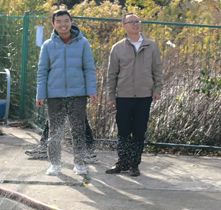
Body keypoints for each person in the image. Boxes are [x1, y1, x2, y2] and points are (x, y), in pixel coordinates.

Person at [36, 9, 97, 178]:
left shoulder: (83, 43)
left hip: (78, 94)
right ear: (53, 24)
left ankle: (79, 163)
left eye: (66, 21)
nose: (63, 25)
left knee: (78, 129)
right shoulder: (48, 45)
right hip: (54, 95)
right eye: (59, 21)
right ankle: (55, 163)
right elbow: (42, 71)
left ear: (71, 22)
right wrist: (40, 94)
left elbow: (89, 68)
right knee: (55, 131)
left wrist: (91, 90)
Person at [105, 13, 163, 177]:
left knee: (139, 131)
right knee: (123, 131)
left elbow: (157, 69)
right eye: (131, 22)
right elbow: (112, 74)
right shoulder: (118, 48)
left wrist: (157, 89)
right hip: (124, 95)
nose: (135, 24)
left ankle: (134, 164)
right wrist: (111, 95)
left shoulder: (151, 46)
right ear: (124, 26)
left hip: (144, 95)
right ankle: (122, 162)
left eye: (137, 21)